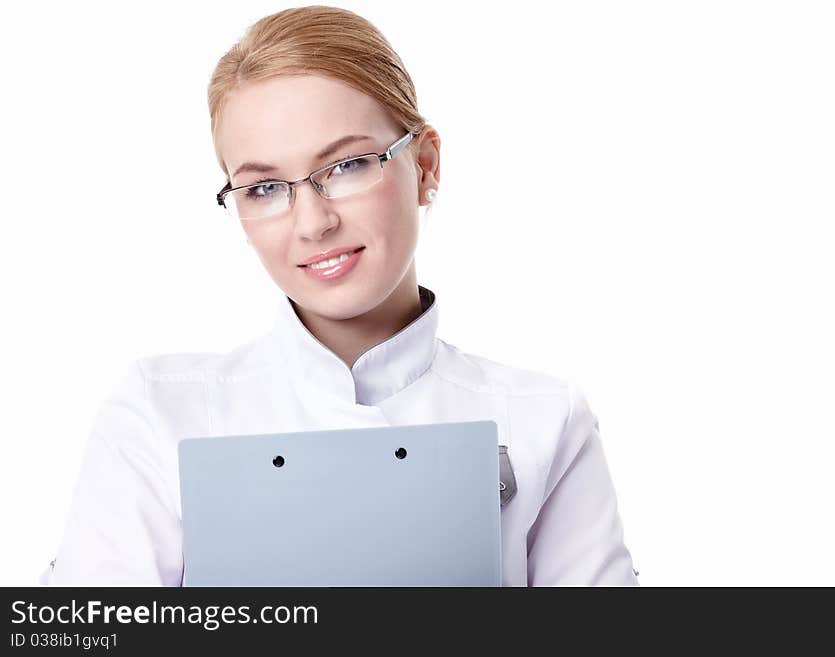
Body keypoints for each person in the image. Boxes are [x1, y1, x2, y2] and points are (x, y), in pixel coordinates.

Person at [43, 5, 639, 587]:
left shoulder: (544, 418)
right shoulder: (160, 414)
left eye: (348, 165)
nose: (312, 223)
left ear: (425, 164)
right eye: (265, 187)